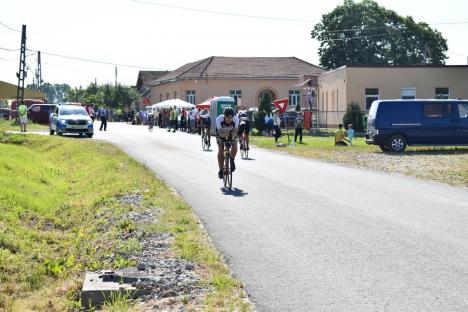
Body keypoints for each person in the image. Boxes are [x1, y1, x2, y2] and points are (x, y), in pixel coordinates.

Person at [216, 108, 239, 179]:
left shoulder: (236, 119)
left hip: (231, 134)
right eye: (227, 118)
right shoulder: (219, 119)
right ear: (224, 116)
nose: (229, 120)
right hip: (221, 134)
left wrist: (232, 134)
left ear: (233, 117)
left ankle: (232, 160)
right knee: (221, 150)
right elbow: (220, 133)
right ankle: (221, 169)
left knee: (235, 146)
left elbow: (235, 132)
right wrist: (226, 134)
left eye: (231, 118)